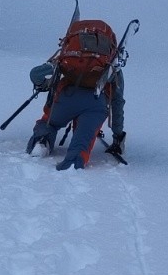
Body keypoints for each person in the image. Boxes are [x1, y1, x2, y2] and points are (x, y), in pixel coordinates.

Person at [26, 23, 126, 170]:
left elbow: (38, 75)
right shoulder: (112, 67)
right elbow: (117, 103)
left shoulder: (68, 56)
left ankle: (41, 142)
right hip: (96, 104)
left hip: (66, 98)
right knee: (83, 138)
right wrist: (118, 136)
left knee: (50, 123)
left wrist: (44, 83)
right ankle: (74, 160)